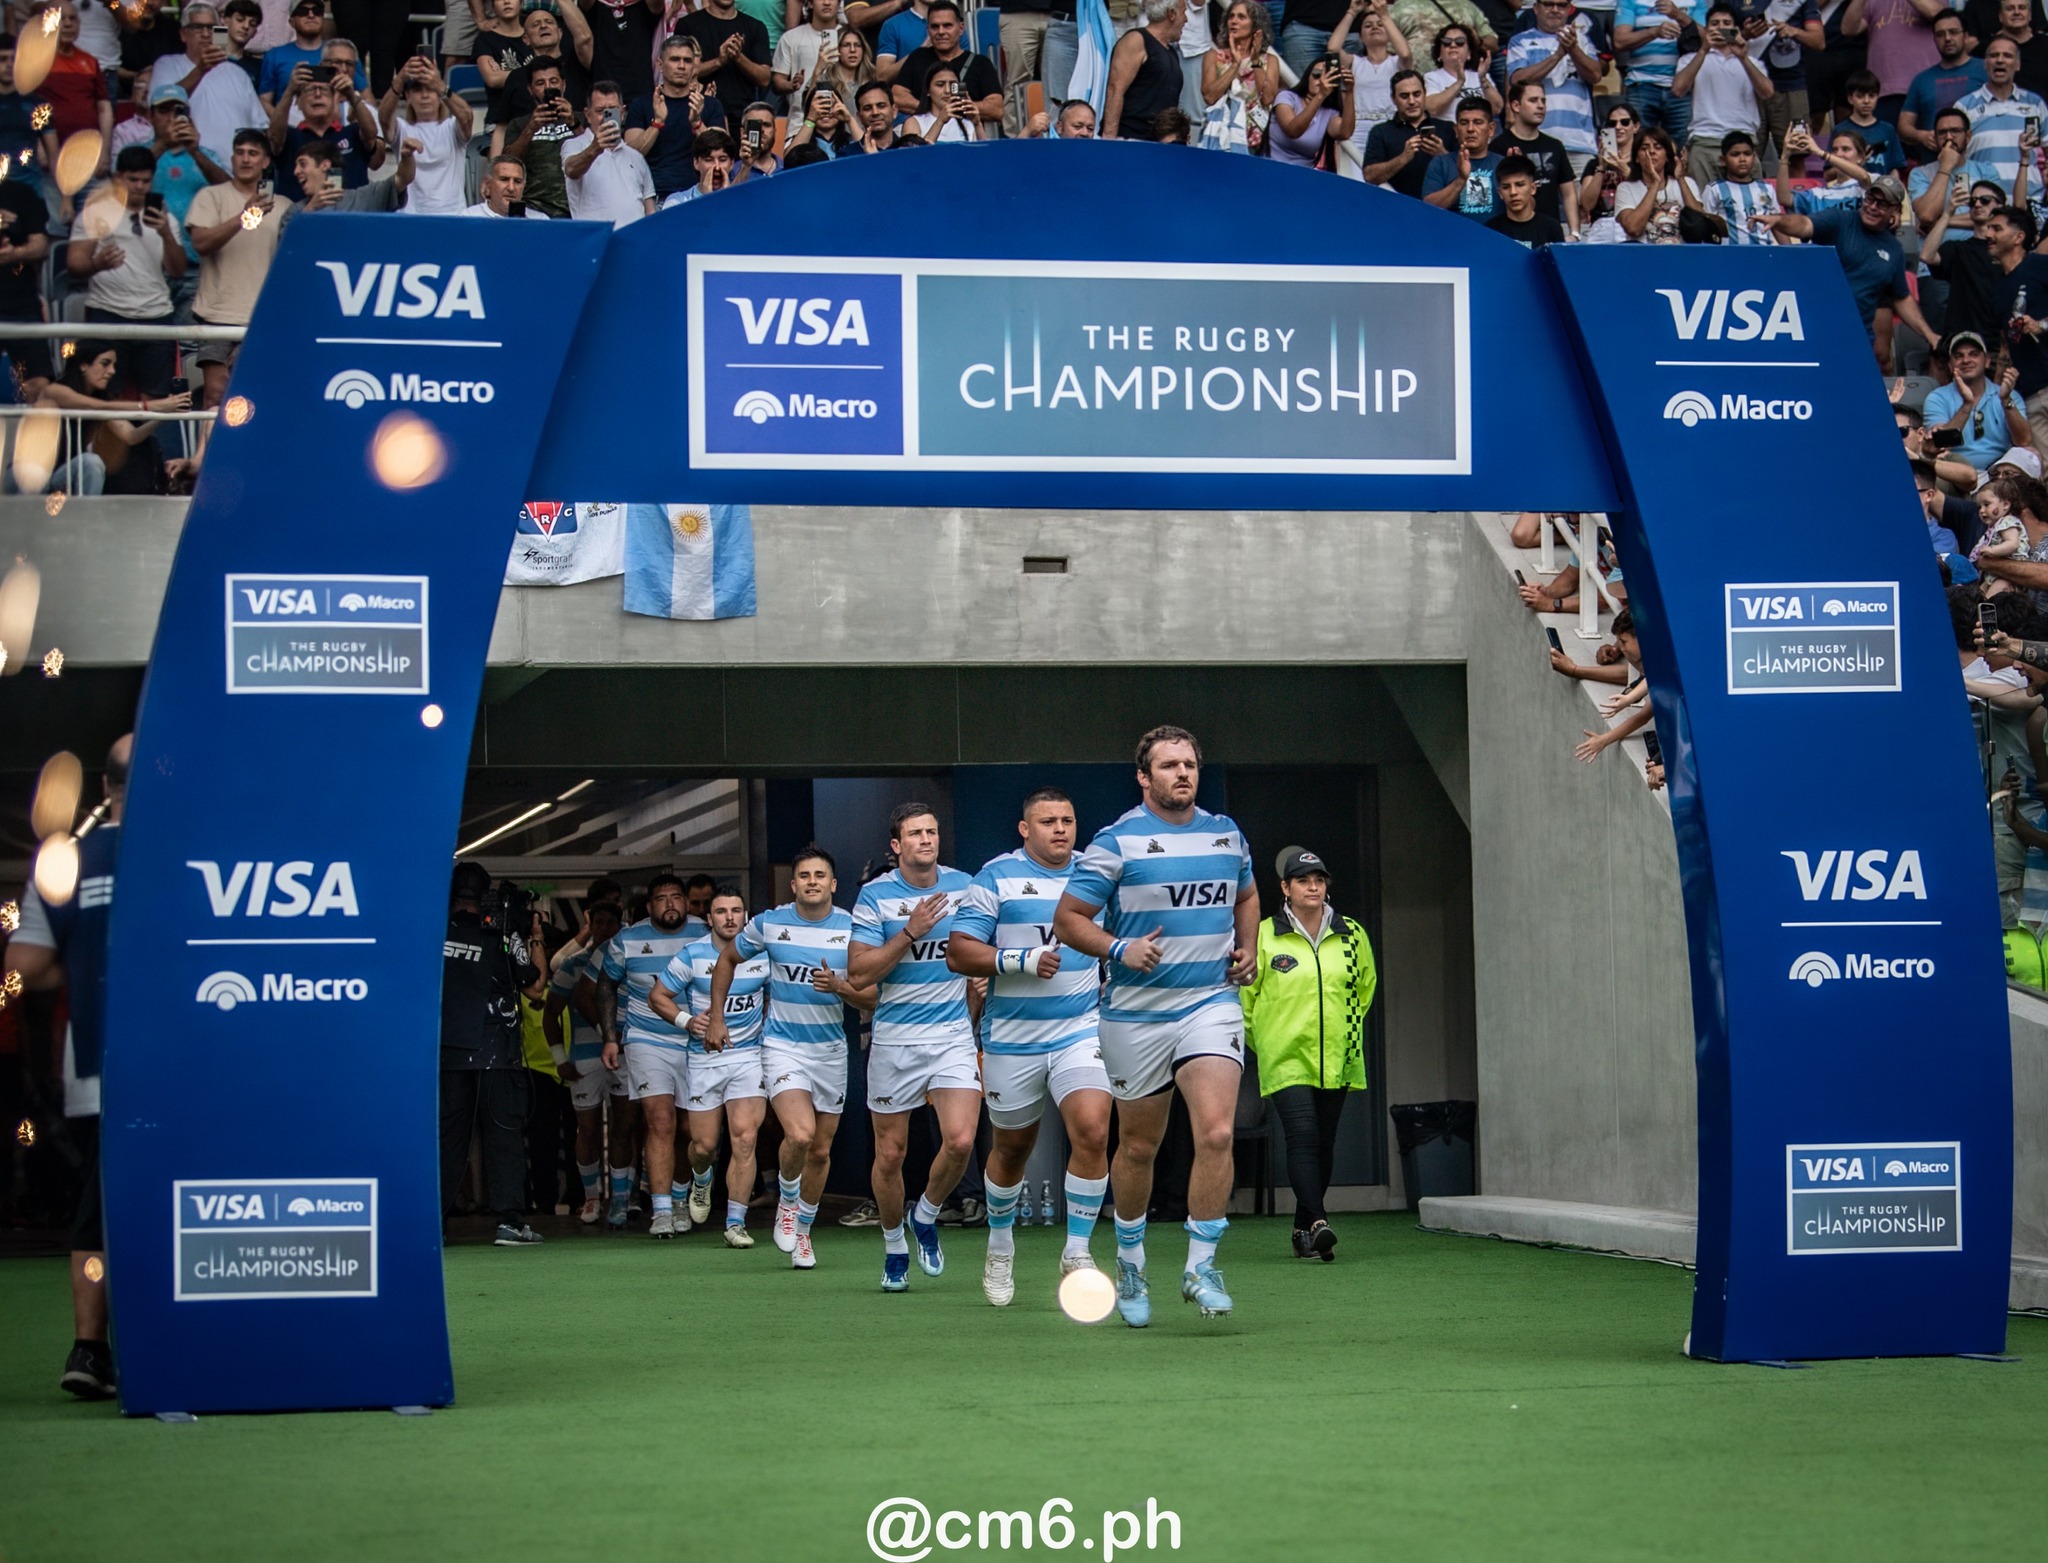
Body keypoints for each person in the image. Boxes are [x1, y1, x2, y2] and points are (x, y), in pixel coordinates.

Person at [1053, 725, 1260, 1326]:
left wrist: (1245, 946)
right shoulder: (1115, 843)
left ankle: (1201, 1266)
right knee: (1139, 1146)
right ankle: (1132, 1260)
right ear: (1144, 777)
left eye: (1190, 764)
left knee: (1217, 1133)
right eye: (1169, 765)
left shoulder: (1227, 834)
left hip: (1209, 1004)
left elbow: (1246, 896)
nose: (1183, 773)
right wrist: (1118, 949)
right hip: (1135, 1017)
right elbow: (1069, 920)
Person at [947, 789, 1115, 1308]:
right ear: (1025, 829)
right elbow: (958, 952)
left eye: (1068, 819)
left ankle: (1078, 1249)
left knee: (1092, 1128)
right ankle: (1000, 1245)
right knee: (1012, 1150)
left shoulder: (1099, 874)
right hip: (1012, 1040)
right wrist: (1020, 959)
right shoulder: (995, 877)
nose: (1061, 829)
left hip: (1081, 1030)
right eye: (1048, 821)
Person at [7, 735, 128, 1399]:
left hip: (97, 1066)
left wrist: (79, 968)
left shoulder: (69, 863)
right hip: (187, 1067)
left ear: (104, 787)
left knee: (99, 1207)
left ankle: (91, 1347)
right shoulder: (187, 849)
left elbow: (22, 965)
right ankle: (138, 1341)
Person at [710, 845, 875, 1271]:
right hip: (783, 1046)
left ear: (834, 885)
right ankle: (787, 1199)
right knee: (800, 1136)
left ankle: (802, 1231)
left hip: (831, 1051)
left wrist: (839, 987)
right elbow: (727, 959)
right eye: (805, 875)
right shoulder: (768, 923)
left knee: (820, 1151)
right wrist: (716, 1017)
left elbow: (875, 997)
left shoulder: (854, 928)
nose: (813, 881)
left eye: (821, 875)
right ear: (793, 884)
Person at [847, 804, 979, 1292]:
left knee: (961, 1140)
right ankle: (893, 1244)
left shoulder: (965, 886)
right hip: (895, 1039)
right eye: (915, 834)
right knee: (889, 1155)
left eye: (932, 831)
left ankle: (924, 1215)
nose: (926, 839)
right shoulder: (875, 896)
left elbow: (981, 947)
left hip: (951, 1035)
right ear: (896, 846)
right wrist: (910, 931)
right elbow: (860, 973)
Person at [1237, 847, 1375, 1263]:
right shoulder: (1263, 935)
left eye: (1319, 879)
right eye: (1303, 879)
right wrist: (1269, 1040)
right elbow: (1245, 998)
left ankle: (1302, 1229)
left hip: (1339, 1052)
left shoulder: (1352, 933)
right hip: (1285, 1055)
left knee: (1324, 1143)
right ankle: (1318, 1221)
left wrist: (1342, 1032)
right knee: (1303, 1134)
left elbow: (1363, 990)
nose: (1313, 886)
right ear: (1285, 888)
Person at [651, 886, 770, 1246]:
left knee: (746, 1139)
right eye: (721, 911)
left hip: (749, 1056)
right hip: (704, 1059)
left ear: (745, 916)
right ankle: (701, 1179)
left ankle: (735, 1222)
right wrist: (687, 1021)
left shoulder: (763, 954)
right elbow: (657, 996)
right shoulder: (692, 954)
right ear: (709, 918)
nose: (730, 917)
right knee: (703, 1145)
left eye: (736, 910)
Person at [440, 863, 548, 1247]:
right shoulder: (502, 933)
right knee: (502, 1136)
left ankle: (436, 1221)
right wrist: (534, 937)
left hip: (449, 1053)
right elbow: (535, 989)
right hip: (496, 1052)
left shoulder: (432, 934)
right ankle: (509, 1221)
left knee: (448, 1138)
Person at [598, 872, 702, 1238]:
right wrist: (611, 1038)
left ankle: (678, 1200)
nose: (670, 903)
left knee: (693, 1130)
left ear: (687, 903)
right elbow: (606, 983)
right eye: (662, 898)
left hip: (697, 1042)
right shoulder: (627, 940)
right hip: (646, 1040)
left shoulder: (708, 934)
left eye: (677, 897)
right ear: (649, 906)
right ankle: (661, 1210)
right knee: (660, 1122)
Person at [1760, 174, 1940, 353]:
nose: (1873, 207)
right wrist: (1779, 220)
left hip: (1858, 340)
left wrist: (1929, 334)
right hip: (1817, 330)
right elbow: (1804, 225)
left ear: (1895, 210)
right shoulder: (1840, 220)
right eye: (1870, 199)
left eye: (1882, 204)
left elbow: (1901, 297)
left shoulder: (1894, 249)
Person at [66, 146, 183, 399]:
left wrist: (166, 235)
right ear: (118, 178)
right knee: (105, 396)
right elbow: (74, 264)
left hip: (155, 315)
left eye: (145, 180)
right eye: (133, 179)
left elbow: (177, 270)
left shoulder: (165, 218)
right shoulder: (96, 213)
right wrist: (97, 264)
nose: (140, 186)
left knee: (157, 400)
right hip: (107, 313)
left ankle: (149, 441)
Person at [545, 897, 624, 1224]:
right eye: (599, 923)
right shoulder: (572, 964)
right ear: (590, 924)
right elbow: (550, 1015)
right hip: (585, 1060)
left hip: (624, 1058)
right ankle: (592, 1198)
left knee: (624, 1127)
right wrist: (559, 1059)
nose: (605, 930)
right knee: (587, 1130)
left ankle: (621, 1199)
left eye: (611, 923)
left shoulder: (627, 961)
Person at [184, 129, 277, 407]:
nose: (245, 159)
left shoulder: (283, 205)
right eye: (239, 152)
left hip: (262, 317)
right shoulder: (210, 196)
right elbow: (200, 243)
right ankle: (208, 452)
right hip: (218, 314)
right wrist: (244, 217)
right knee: (215, 394)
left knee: (259, 395)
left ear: (266, 161)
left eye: (253, 153)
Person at [1674, 2, 1773, 188]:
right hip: (1705, 141)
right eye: (1715, 23)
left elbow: (1767, 93)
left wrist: (1743, 57)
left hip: (1743, 143)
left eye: (1726, 23)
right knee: (1703, 208)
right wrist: (1703, 50)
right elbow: (1678, 90)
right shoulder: (1690, 59)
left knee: (1751, 204)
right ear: (1706, 29)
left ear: (1736, 29)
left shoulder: (1752, 61)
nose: (1720, 27)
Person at [148, 2, 266, 158]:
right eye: (198, 27)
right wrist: (201, 69)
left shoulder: (238, 74)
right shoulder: (167, 64)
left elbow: (260, 126)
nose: (206, 34)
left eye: (212, 28)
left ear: (220, 33)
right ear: (183, 34)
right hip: (188, 167)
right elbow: (163, 104)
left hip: (236, 173)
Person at [625, 35, 727, 201]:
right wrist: (657, 123)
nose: (681, 66)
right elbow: (630, 155)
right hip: (652, 197)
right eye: (674, 59)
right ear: (660, 65)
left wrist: (697, 123)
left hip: (697, 196)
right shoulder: (642, 104)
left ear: (695, 67)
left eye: (687, 61)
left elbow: (722, 154)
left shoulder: (711, 105)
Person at [1505, 0, 1601, 168]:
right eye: (1548, 4)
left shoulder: (1582, 40)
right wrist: (1557, 56)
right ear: (1536, 8)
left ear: (1569, 9)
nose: (1555, 10)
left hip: (1579, 142)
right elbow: (1517, 80)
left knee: (1581, 196)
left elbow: (1595, 75)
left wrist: (1573, 49)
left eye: (1561, 5)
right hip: (1536, 140)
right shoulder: (1520, 41)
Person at [268, 61, 382, 197]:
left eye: (324, 90)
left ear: (335, 100)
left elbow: (371, 134)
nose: (317, 94)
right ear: (298, 102)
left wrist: (351, 94)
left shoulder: (352, 133)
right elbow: (273, 137)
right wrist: (290, 91)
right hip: (300, 215)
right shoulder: (289, 136)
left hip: (348, 215)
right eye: (310, 90)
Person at [1984, 201, 2048, 442]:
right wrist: (1997, 391)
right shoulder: (1999, 288)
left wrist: (2041, 325)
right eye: (1988, 228)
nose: (1988, 234)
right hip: (2029, 393)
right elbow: (2005, 345)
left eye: (1997, 229)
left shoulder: (2041, 266)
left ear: (2018, 237)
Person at [380, 54, 473, 215]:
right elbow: (383, 118)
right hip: (410, 215)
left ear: (438, 95)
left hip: (452, 214)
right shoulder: (402, 128)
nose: (424, 96)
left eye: (430, 89)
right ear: (408, 97)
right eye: (417, 90)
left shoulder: (451, 127)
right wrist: (400, 79)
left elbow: (467, 117)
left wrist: (440, 86)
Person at [1955, 36, 2046, 200]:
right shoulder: (1964, 106)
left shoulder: (2035, 104)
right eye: (1994, 55)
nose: (2000, 60)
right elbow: (1955, 160)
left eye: (2007, 56)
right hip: (1983, 204)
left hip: (2029, 202)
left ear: (2017, 65)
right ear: (1985, 63)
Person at [1613, 0, 1710, 147]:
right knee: (1637, 148)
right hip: (1641, 83)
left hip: (1682, 88)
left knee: (1680, 151)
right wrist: (1654, 32)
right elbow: (1620, 41)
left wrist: (1678, 15)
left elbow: (1708, 40)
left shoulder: (1696, 1)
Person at [491, 55, 579, 217]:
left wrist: (574, 123)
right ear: (530, 90)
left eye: (553, 81)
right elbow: (508, 162)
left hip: (578, 208)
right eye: (540, 83)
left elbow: (599, 153)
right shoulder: (519, 124)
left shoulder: (582, 119)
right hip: (534, 210)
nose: (547, 87)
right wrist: (531, 128)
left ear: (563, 85)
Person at [1327, 0, 1410, 170]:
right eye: (1368, 25)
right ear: (1360, 37)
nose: (1374, 27)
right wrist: (1352, 11)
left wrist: (1384, 15)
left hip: (1391, 129)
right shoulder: (1354, 62)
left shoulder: (1397, 63)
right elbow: (1333, 49)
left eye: (1380, 25)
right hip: (1357, 131)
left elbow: (1405, 52)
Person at [891, 1, 1002, 127]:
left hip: (967, 137)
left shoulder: (980, 63)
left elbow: (996, 109)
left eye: (947, 25)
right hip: (923, 135)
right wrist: (933, 109)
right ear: (928, 29)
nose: (941, 31)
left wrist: (955, 108)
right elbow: (897, 97)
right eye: (935, 26)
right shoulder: (917, 57)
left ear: (960, 29)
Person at [562, 79, 656, 223]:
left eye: (613, 110)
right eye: (600, 111)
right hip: (598, 241)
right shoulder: (575, 145)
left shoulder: (635, 156)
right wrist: (596, 148)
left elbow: (649, 209)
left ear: (623, 113)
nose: (606, 117)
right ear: (587, 115)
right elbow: (571, 170)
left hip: (634, 241)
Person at [1493, 80, 1580, 232]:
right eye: (1533, 100)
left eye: (1543, 101)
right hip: (1512, 232)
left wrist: (1575, 232)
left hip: (1550, 231)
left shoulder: (1555, 146)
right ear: (1516, 106)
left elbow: (1568, 193)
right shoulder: (1498, 146)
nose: (1541, 106)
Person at [1899, 8, 1985, 159]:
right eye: (1940, 34)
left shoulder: (1985, 70)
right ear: (1934, 40)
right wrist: (1921, 136)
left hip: (1978, 161)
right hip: (1933, 166)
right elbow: (1904, 127)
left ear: (1965, 36)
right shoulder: (1922, 79)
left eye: (1953, 32)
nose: (1947, 38)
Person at [1202, 0, 1280, 155]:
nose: (1233, 21)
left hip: (1255, 140)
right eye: (1231, 16)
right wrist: (1235, 64)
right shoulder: (1213, 56)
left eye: (1241, 17)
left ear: (1256, 26)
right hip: (1220, 138)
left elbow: (1267, 99)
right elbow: (1210, 97)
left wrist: (1256, 61)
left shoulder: (1270, 61)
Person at [674, 0, 773, 122]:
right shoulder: (688, 25)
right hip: (698, 114)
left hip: (741, 118)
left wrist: (738, 57)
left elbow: (764, 79)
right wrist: (719, 61)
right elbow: (680, 72)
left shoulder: (755, 27)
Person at [1362, 66, 1452, 195]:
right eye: (1404, 96)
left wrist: (1442, 155)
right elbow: (1369, 176)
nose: (1411, 101)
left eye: (1416, 94)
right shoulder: (1380, 132)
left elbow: (1467, 174)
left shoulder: (1447, 128)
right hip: (1395, 208)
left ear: (1425, 94)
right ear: (1393, 99)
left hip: (1440, 210)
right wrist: (1403, 158)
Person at [1104, 0, 1186, 138]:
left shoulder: (1172, 53)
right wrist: (1109, 141)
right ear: (1172, 14)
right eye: (1184, 13)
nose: (1186, 19)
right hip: (1130, 139)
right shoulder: (1136, 40)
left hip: (1158, 143)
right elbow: (1115, 90)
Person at [1616, 124, 1702, 240]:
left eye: (1658, 147)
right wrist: (1655, 184)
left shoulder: (1687, 183)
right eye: (1645, 148)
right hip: (1644, 256)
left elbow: (1700, 225)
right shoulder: (1625, 188)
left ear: (1667, 156)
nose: (1651, 151)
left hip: (1681, 254)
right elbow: (1633, 229)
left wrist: (1680, 179)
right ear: (1636, 158)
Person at [1270, 49, 1355, 164]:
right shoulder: (1287, 96)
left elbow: (1345, 132)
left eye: (1327, 76)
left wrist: (1349, 91)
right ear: (1307, 77)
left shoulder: (1329, 113)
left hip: (1303, 174)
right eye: (1317, 75)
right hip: (1270, 166)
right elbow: (1293, 131)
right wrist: (1321, 95)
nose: (1320, 80)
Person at [1424, 94, 1503, 217]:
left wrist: (1522, 174)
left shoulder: (1502, 164)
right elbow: (1427, 209)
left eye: (1478, 122)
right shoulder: (1440, 163)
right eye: (1464, 123)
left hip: (1493, 235)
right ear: (1456, 130)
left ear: (1491, 129)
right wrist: (1461, 180)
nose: (1470, 129)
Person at [1698, 128, 1782, 239]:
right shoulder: (1715, 189)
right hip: (1729, 253)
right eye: (1735, 154)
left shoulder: (1767, 188)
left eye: (1747, 154)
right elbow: (1707, 225)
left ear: (1754, 156)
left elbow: (1777, 225)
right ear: (1723, 160)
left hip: (1764, 252)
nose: (1742, 159)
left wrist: (1791, 252)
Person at [579, 0, 664, 102]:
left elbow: (657, 4)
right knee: (611, 118)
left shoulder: (644, 8)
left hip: (641, 97)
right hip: (606, 98)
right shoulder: (597, 8)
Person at [258, 0, 329, 109]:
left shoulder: (341, 52)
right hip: (289, 123)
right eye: (303, 12)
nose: (311, 15)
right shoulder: (274, 56)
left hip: (333, 123)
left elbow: (363, 96)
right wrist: (280, 123)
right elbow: (264, 100)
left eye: (317, 11)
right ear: (292, 22)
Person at [1488, 150, 1568, 243]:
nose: (1513, 192)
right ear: (1500, 193)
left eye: (1520, 185)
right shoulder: (1490, 230)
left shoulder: (1551, 228)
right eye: (1506, 187)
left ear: (1533, 188)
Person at [1422, 22, 1499, 118]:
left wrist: (1483, 79)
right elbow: (1431, 109)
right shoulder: (1431, 77)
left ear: (1469, 53)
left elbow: (1497, 108)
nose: (1453, 45)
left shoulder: (1481, 76)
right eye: (1446, 42)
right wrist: (1459, 82)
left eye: (1460, 41)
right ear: (1439, 54)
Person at [1839, 66, 1906, 171]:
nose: (1866, 101)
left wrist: (1891, 186)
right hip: (1851, 187)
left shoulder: (1888, 130)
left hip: (1881, 186)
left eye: (1871, 96)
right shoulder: (1840, 130)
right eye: (1860, 96)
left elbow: (1896, 167)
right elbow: (1829, 172)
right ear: (1850, 99)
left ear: (1877, 97)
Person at [771, 0, 842, 97]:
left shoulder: (851, 38)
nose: (826, 2)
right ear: (810, 3)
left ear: (839, 3)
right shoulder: (790, 37)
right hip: (800, 110)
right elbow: (777, 81)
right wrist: (791, 85)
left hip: (843, 109)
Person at [907, 61, 983, 139]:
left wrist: (977, 124)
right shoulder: (914, 122)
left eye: (953, 85)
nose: (947, 90)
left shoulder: (967, 125)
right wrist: (940, 121)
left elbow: (986, 150)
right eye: (940, 85)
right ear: (928, 91)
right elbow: (917, 151)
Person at [660, 124, 736, 201]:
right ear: (696, 163)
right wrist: (708, 199)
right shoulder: (676, 201)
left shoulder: (742, 200)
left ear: (732, 163)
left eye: (722, 160)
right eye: (709, 160)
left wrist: (727, 196)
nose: (717, 167)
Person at [463, 150, 549, 213]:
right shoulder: (469, 218)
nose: (511, 188)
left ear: (524, 186)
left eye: (517, 181)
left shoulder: (540, 222)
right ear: (488, 184)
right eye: (504, 180)